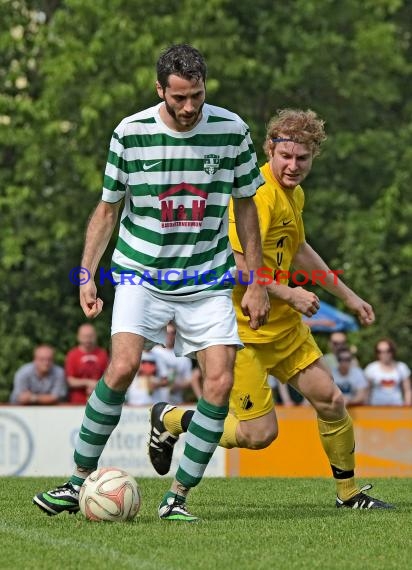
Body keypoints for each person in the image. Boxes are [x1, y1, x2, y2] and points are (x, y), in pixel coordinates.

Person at [33, 44, 269, 521]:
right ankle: (76, 481)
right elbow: (107, 209)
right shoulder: (130, 132)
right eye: (179, 97)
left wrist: (258, 280)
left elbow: (246, 207)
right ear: (160, 89)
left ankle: (176, 499)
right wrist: (87, 274)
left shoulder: (232, 130)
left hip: (207, 278)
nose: (188, 107)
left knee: (219, 383)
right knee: (121, 368)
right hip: (140, 272)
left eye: (196, 96)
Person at [149, 108, 393, 510]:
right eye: (286, 157)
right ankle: (171, 420)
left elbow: (296, 249)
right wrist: (290, 294)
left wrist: (346, 295)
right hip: (241, 333)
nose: (293, 165)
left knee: (331, 400)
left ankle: (349, 495)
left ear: (314, 156)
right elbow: (232, 261)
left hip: (283, 328)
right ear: (270, 151)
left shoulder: (293, 194)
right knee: (258, 435)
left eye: (303, 158)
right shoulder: (258, 193)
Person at [64, 323, 109, 404]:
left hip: (100, 400)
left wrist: (97, 386)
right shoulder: (72, 355)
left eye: (90, 336)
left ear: (95, 337)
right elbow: (70, 381)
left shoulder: (102, 354)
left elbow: (108, 378)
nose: (88, 339)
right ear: (78, 337)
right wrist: (88, 383)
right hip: (76, 402)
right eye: (84, 336)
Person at [151, 323, 194, 404]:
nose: (169, 336)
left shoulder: (183, 356)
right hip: (154, 402)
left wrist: (178, 386)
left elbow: (189, 380)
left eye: (173, 333)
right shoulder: (154, 352)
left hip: (176, 402)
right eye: (167, 333)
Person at [364, 338, 411, 406]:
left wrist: (408, 408)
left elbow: (408, 390)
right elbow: (366, 391)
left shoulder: (402, 367)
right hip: (375, 409)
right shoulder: (371, 368)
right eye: (380, 351)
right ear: (376, 353)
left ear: (392, 351)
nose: (384, 354)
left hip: (398, 409)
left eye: (388, 351)